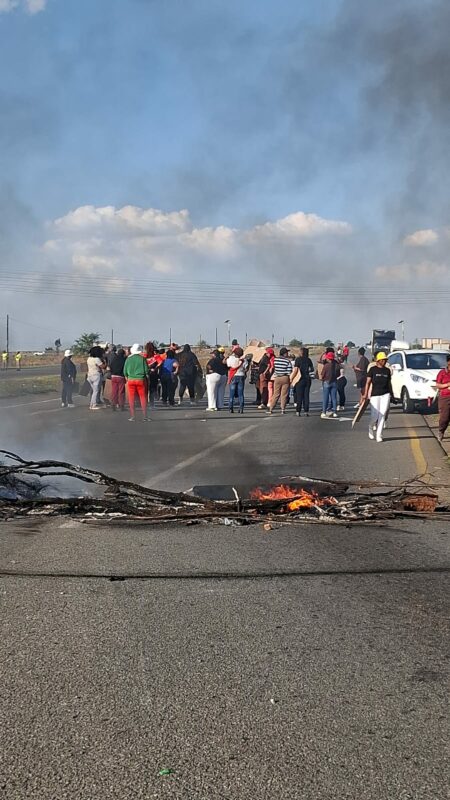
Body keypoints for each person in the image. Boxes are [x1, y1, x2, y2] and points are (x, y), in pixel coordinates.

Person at [362, 351, 392, 442]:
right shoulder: (373, 370)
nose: (384, 362)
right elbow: (368, 383)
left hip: (385, 394)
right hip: (375, 395)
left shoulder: (387, 370)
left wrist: (392, 394)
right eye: (382, 360)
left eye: (385, 360)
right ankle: (370, 427)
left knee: (382, 414)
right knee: (375, 416)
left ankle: (379, 435)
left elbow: (389, 383)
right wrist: (365, 394)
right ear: (378, 361)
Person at [124, 343, 149, 422]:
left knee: (131, 398)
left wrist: (127, 378)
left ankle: (132, 416)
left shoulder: (128, 359)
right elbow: (146, 370)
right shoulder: (142, 359)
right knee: (142, 397)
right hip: (140, 380)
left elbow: (125, 371)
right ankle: (145, 416)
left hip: (131, 380)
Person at [268, 347, 292, 414]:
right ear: (284, 354)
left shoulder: (276, 360)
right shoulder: (287, 361)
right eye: (287, 352)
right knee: (284, 394)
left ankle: (271, 408)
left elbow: (275, 368)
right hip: (285, 377)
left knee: (276, 394)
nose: (287, 354)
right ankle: (283, 409)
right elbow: (289, 371)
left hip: (277, 378)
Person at [291, 347, 314, 416]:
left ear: (301, 352)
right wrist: (307, 370)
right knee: (306, 396)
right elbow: (312, 369)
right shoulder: (308, 360)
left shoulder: (298, 360)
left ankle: (298, 411)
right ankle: (306, 411)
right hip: (307, 379)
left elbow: (295, 370)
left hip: (299, 379)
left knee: (299, 396)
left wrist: (291, 378)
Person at [226, 347, 250, 413]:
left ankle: (231, 408)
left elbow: (228, 365)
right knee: (241, 394)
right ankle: (241, 408)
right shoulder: (243, 360)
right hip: (241, 376)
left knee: (232, 393)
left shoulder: (231, 358)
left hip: (233, 376)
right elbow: (246, 368)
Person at [435, 353, 450, 442]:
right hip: (445, 397)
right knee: (445, 417)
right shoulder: (442, 372)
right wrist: (447, 384)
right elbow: (438, 385)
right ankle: (441, 431)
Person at [320, 351, 339, 418]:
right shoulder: (336, 365)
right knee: (334, 398)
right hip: (334, 382)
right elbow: (338, 374)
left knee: (325, 398)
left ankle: (324, 412)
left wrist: (322, 379)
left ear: (328, 358)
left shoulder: (326, 366)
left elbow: (322, 375)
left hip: (326, 382)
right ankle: (335, 412)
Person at [87, 346, 105, 410]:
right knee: (96, 391)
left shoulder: (89, 359)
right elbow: (103, 366)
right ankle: (93, 405)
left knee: (94, 390)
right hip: (96, 375)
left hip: (90, 375)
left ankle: (92, 403)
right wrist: (104, 362)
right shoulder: (97, 359)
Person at [144, 342, 161, 407]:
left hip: (145, 374)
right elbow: (160, 363)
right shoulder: (156, 356)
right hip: (154, 374)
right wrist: (155, 368)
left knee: (145, 389)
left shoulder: (144, 356)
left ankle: (144, 404)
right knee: (152, 389)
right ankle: (152, 404)